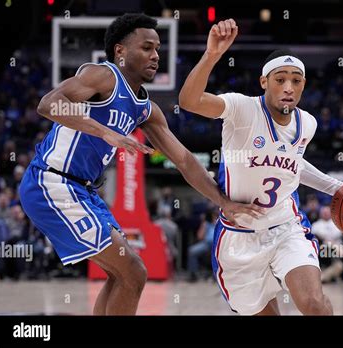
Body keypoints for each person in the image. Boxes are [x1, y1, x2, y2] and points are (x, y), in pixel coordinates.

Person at [18, 14, 260, 316]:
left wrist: (223, 201)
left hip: (84, 192)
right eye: (146, 47)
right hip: (52, 182)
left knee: (124, 274)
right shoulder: (101, 75)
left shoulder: (147, 110)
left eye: (157, 49)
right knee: (134, 271)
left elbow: (184, 160)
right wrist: (106, 132)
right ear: (120, 51)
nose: (156, 55)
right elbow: (48, 104)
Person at [179, 18, 343, 315]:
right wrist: (212, 55)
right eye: (280, 79)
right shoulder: (241, 108)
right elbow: (189, 101)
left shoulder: (307, 123)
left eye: (296, 80)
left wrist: (336, 189)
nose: (288, 87)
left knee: (315, 305)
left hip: (286, 226)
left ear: (303, 85)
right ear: (264, 82)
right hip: (239, 236)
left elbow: (292, 165)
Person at [187, 210, 217, 282]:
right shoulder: (206, 224)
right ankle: (193, 274)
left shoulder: (220, 222)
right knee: (191, 251)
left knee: (220, 253)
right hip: (206, 244)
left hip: (217, 244)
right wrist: (203, 224)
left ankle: (216, 275)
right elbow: (200, 236)